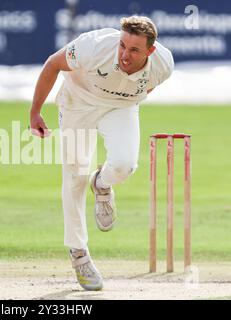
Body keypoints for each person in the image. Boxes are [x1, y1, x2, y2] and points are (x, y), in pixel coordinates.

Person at [29, 16, 174, 291]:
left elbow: (147, 87)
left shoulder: (163, 65)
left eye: (134, 50)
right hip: (77, 104)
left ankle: (103, 183)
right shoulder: (93, 46)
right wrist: (35, 111)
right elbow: (52, 63)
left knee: (124, 164)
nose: (124, 54)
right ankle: (78, 252)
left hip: (121, 107)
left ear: (150, 51)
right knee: (75, 176)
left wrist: (125, 95)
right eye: (122, 45)